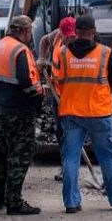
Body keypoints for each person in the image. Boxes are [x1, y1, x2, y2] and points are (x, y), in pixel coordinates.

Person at [52, 14, 112, 213]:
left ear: (76, 32)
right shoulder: (104, 53)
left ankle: (71, 203)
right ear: (94, 32)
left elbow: (57, 80)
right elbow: (110, 81)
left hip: (71, 113)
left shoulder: (62, 53)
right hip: (99, 113)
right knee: (109, 158)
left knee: (70, 158)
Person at [0, 15, 44, 215]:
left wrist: (2, 95)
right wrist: (38, 102)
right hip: (21, 112)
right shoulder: (20, 50)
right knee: (19, 157)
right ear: (25, 32)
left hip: (1, 110)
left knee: (1, 156)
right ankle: (14, 202)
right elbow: (28, 84)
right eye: (29, 34)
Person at [37, 16, 77, 181]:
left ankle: (72, 166)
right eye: (67, 35)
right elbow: (44, 40)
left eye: (72, 35)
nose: (70, 38)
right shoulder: (56, 35)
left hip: (76, 95)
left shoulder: (83, 45)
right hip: (58, 94)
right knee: (61, 131)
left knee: (74, 131)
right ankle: (65, 166)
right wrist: (41, 57)